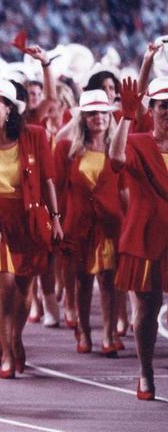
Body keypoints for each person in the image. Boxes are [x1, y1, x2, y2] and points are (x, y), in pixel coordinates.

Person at [0, 78, 62, 379]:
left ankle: (15, 337)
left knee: (25, 287)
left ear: (10, 108)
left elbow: (48, 180)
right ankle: (7, 352)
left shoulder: (34, 135)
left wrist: (57, 217)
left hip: (28, 220)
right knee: (4, 287)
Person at [108, 76, 168, 401]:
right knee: (147, 308)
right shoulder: (140, 142)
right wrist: (126, 118)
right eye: (164, 106)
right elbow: (116, 159)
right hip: (145, 237)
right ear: (153, 109)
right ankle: (145, 372)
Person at [54, 90, 122, 357]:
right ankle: (84, 331)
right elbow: (57, 189)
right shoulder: (67, 150)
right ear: (83, 118)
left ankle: (109, 334)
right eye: (92, 113)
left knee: (109, 280)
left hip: (109, 225)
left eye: (103, 113)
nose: (99, 118)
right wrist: (56, 222)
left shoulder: (118, 148)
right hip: (78, 225)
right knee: (82, 281)